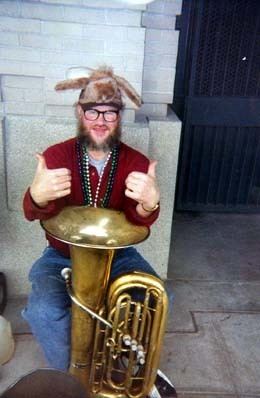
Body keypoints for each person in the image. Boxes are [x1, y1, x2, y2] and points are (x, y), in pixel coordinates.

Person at [22, 65, 159, 368]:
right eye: (92, 112)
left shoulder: (135, 160)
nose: (100, 121)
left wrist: (149, 205)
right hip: (60, 256)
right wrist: (36, 197)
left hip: (119, 255)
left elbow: (138, 222)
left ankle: (116, 362)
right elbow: (31, 212)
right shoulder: (56, 156)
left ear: (119, 117)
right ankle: (70, 377)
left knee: (156, 301)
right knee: (44, 311)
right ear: (79, 113)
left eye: (109, 112)